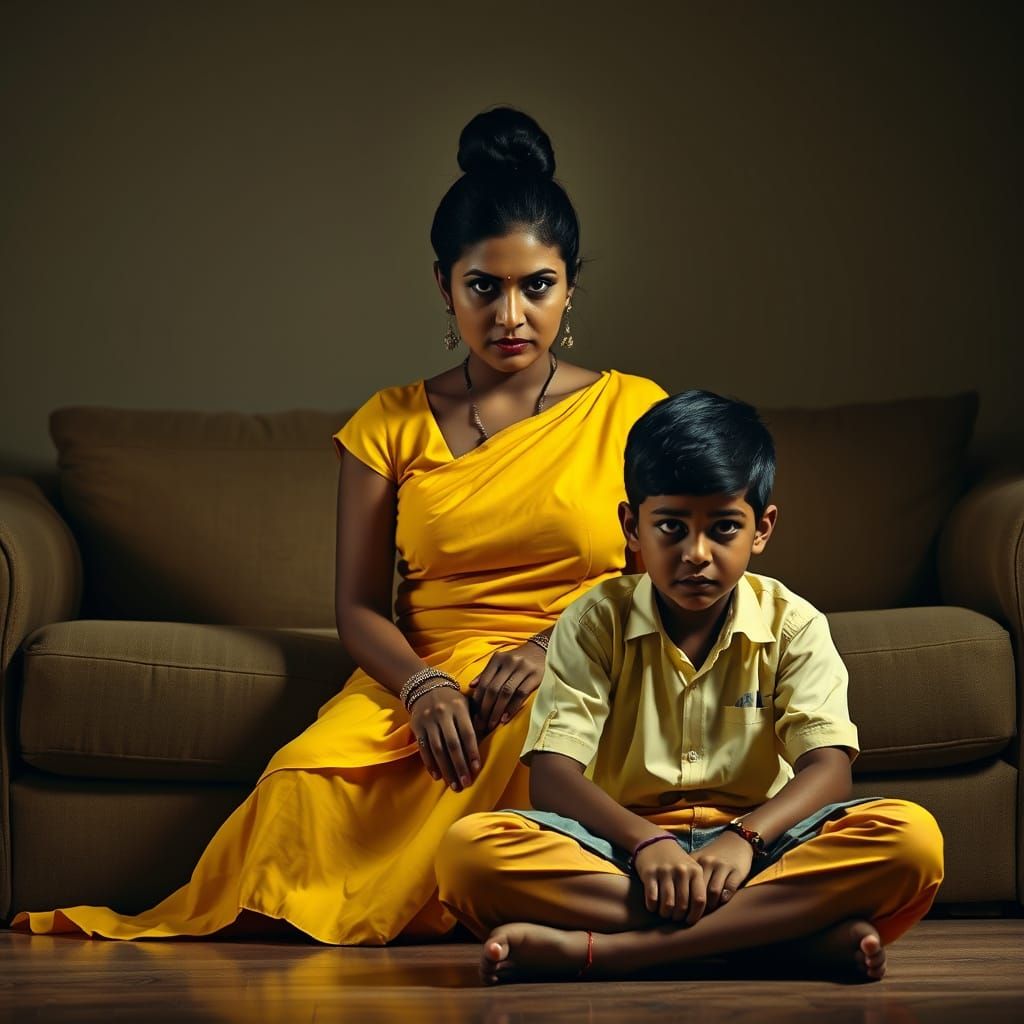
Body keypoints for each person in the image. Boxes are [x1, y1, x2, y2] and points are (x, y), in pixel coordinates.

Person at [13, 108, 666, 944]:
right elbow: (360, 608)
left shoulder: (635, 410)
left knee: (532, 734)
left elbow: (671, 578)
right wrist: (423, 688)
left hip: (580, 664)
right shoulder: (387, 424)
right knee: (297, 785)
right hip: (425, 672)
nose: (511, 315)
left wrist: (553, 652)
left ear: (570, 285)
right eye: (483, 286)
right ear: (443, 286)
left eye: (536, 286)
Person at [437, 389, 944, 982]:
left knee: (912, 841)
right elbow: (552, 775)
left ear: (762, 529)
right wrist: (649, 843)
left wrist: (744, 838)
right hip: (623, 855)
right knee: (469, 854)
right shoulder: (593, 619)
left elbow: (829, 769)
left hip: (759, 849)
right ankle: (781, 940)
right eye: (671, 527)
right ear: (632, 526)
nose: (696, 554)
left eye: (724, 528)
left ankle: (610, 953)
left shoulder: (795, 623)